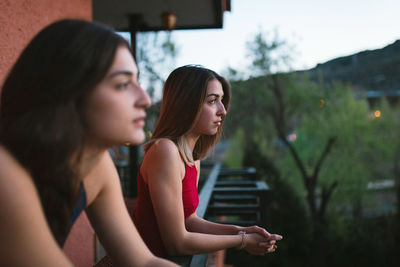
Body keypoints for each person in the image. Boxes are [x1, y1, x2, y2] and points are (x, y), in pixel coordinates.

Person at [0, 19, 177, 266]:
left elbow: (143, 262)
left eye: (137, 81)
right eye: (123, 84)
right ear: (67, 93)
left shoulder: (95, 163)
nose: (145, 99)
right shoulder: (6, 172)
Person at [133, 65, 283, 258]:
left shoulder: (191, 157)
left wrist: (241, 231)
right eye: (212, 101)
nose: (223, 110)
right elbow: (176, 243)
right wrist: (242, 240)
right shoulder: (165, 151)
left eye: (222, 100)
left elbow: (189, 220)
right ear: (186, 104)